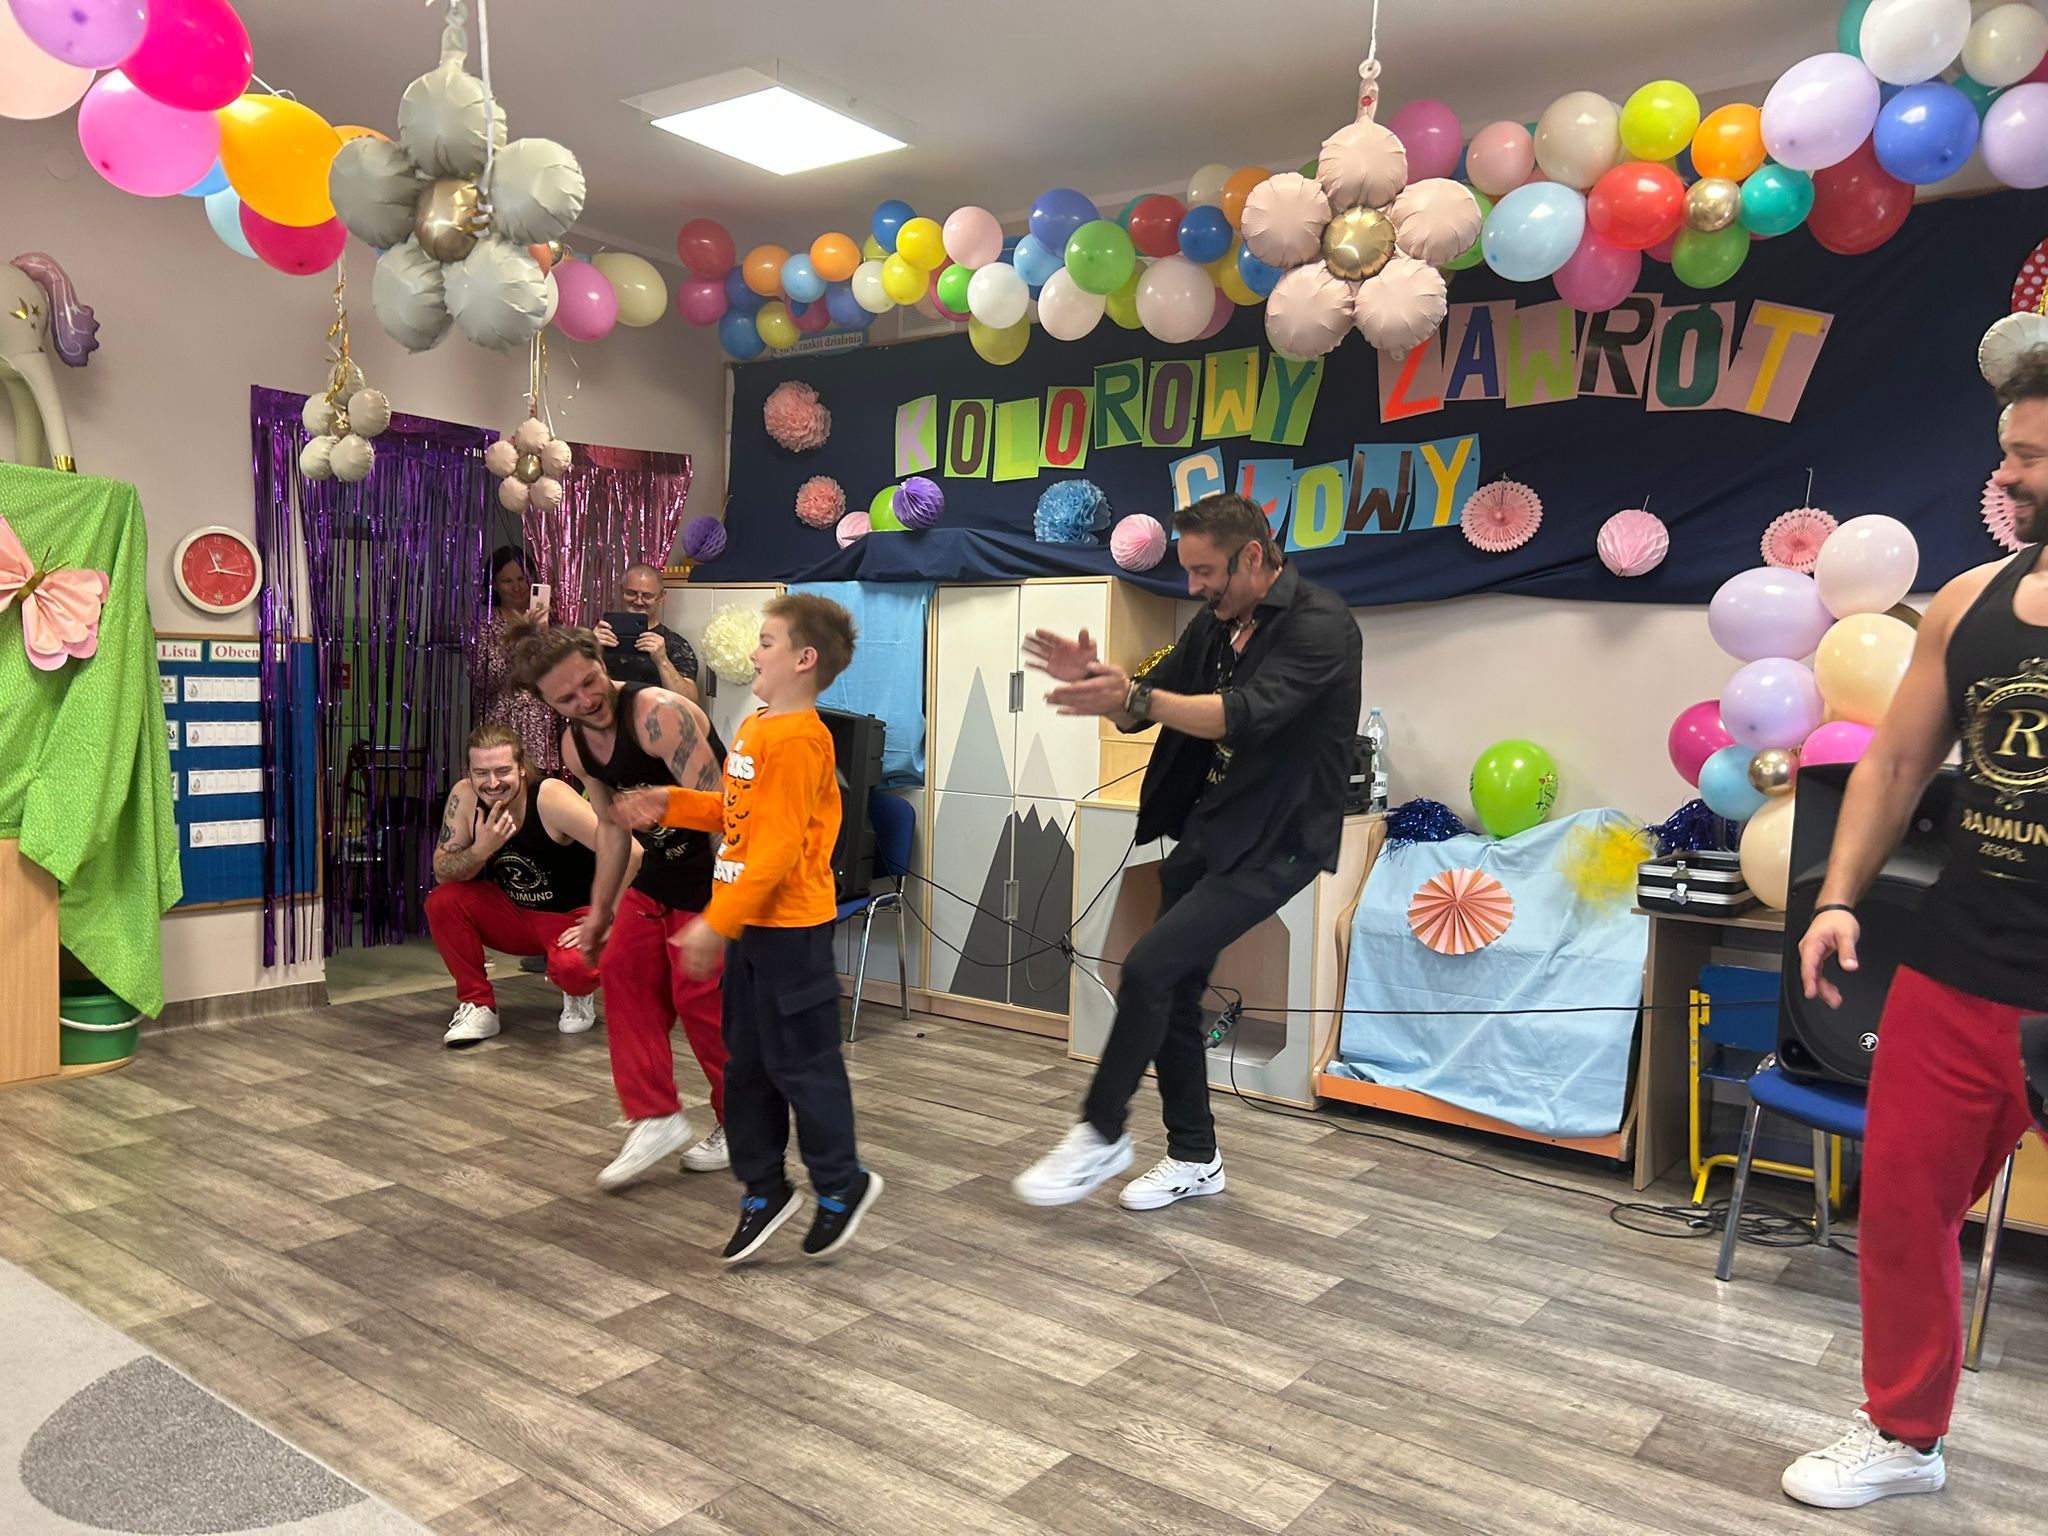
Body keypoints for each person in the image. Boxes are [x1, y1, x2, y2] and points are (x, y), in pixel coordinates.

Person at [1779, 350, 2048, 1511]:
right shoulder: (1966, 600)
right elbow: (1893, 764)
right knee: (1899, 1204)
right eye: (2007, 450)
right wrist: (1838, 896)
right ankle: (1902, 1432)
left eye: (2028, 455)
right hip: (1956, 959)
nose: (2006, 473)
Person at [1009, 492, 1361, 1209]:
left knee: (1148, 967)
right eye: (1190, 571)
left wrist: (1139, 698)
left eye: (1206, 571)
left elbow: (1243, 715)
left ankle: (1101, 1131)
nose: (1195, 586)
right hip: (1212, 827)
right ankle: (1195, 1157)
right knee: (1170, 990)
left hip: (1282, 840)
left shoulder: (1322, 625)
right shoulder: (1215, 623)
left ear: (1252, 556)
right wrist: (1104, 687)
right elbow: (1143, 706)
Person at [611, 594, 882, 1265]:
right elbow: (738, 816)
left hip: (790, 934)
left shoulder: (799, 741)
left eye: (767, 642)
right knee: (747, 1065)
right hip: (749, 931)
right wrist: (671, 802)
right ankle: (764, 1188)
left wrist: (713, 923)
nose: (754, 653)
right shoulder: (760, 726)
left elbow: (778, 851)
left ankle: (840, 1184)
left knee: (804, 1067)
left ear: (804, 658)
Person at [508, 618, 731, 1189]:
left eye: (590, 681)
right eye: (567, 698)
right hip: (659, 874)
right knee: (623, 971)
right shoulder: (576, 744)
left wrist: (727, 912)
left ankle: (743, 1122)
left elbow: (726, 816)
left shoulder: (660, 715)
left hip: (714, 875)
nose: (586, 700)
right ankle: (655, 1115)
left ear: (600, 662)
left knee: (702, 1003)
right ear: (546, 704)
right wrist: (601, 912)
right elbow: (611, 827)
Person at [424, 724, 628, 1045]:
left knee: (573, 969)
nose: (492, 783)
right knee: (443, 900)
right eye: (481, 773)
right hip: (516, 915)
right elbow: (443, 873)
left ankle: (578, 995)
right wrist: (481, 849)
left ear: (521, 767)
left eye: (502, 771)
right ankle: (478, 1004)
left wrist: (610, 919)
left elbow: (631, 852)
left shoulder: (550, 797)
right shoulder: (464, 796)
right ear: (469, 772)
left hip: (571, 917)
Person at [470, 547, 563, 778]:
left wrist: (547, 636)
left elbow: (561, 671)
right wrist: (519, 639)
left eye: (522, 579)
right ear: (494, 585)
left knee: (544, 789)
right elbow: (486, 678)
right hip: (502, 724)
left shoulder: (551, 619)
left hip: (544, 726)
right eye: (507, 581)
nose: (517, 587)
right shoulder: (485, 623)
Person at [594, 562, 701, 703]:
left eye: (647, 595)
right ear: (621, 591)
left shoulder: (675, 645)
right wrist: (589, 649)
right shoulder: (600, 636)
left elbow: (688, 701)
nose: (638, 601)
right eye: (631, 593)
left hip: (654, 715)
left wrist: (662, 661)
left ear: (661, 597)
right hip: (605, 714)